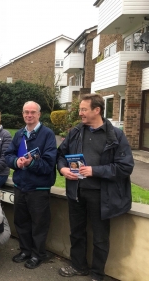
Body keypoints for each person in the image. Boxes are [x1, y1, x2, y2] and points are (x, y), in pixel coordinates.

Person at [57, 94, 134, 281]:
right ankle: (78, 266)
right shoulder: (75, 131)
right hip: (76, 192)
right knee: (76, 232)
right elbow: (60, 154)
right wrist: (62, 169)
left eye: (84, 109)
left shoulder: (115, 135)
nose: (80, 113)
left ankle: (97, 274)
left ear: (96, 110)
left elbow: (125, 167)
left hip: (101, 196)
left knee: (100, 237)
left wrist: (94, 171)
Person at [4, 101, 57, 269]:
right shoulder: (19, 134)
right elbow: (8, 155)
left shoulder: (48, 134)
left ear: (39, 114)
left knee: (39, 223)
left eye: (33, 112)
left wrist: (30, 164)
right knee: (21, 221)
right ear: (22, 114)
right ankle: (25, 250)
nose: (29, 115)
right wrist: (16, 162)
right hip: (20, 185)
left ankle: (38, 254)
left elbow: (49, 164)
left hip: (39, 188)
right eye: (26, 112)